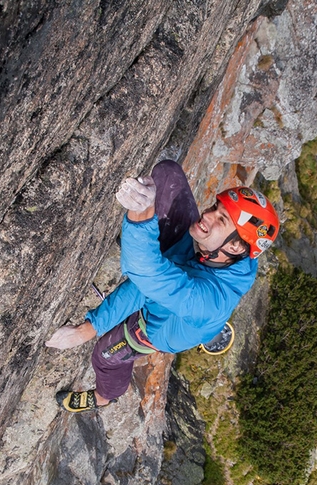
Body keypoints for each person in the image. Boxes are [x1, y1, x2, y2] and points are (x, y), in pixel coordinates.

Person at [46, 160, 279, 412]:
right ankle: (145, 242)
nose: (207, 214)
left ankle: (104, 398)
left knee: (104, 357)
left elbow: (145, 279)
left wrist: (88, 329)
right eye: (215, 207)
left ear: (234, 247)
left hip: (153, 329)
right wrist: (144, 209)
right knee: (168, 176)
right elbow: (148, 280)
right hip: (183, 268)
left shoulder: (207, 303)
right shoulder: (225, 253)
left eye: (221, 220)